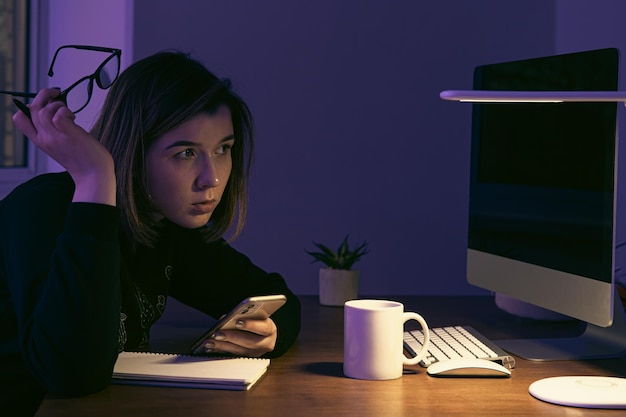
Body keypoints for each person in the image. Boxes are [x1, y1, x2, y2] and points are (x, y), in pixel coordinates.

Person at [0, 50, 301, 415]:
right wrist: (96, 177)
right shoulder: (41, 209)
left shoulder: (167, 223)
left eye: (223, 149)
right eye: (186, 153)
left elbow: (277, 297)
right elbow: (72, 375)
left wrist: (270, 334)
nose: (213, 178)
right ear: (133, 150)